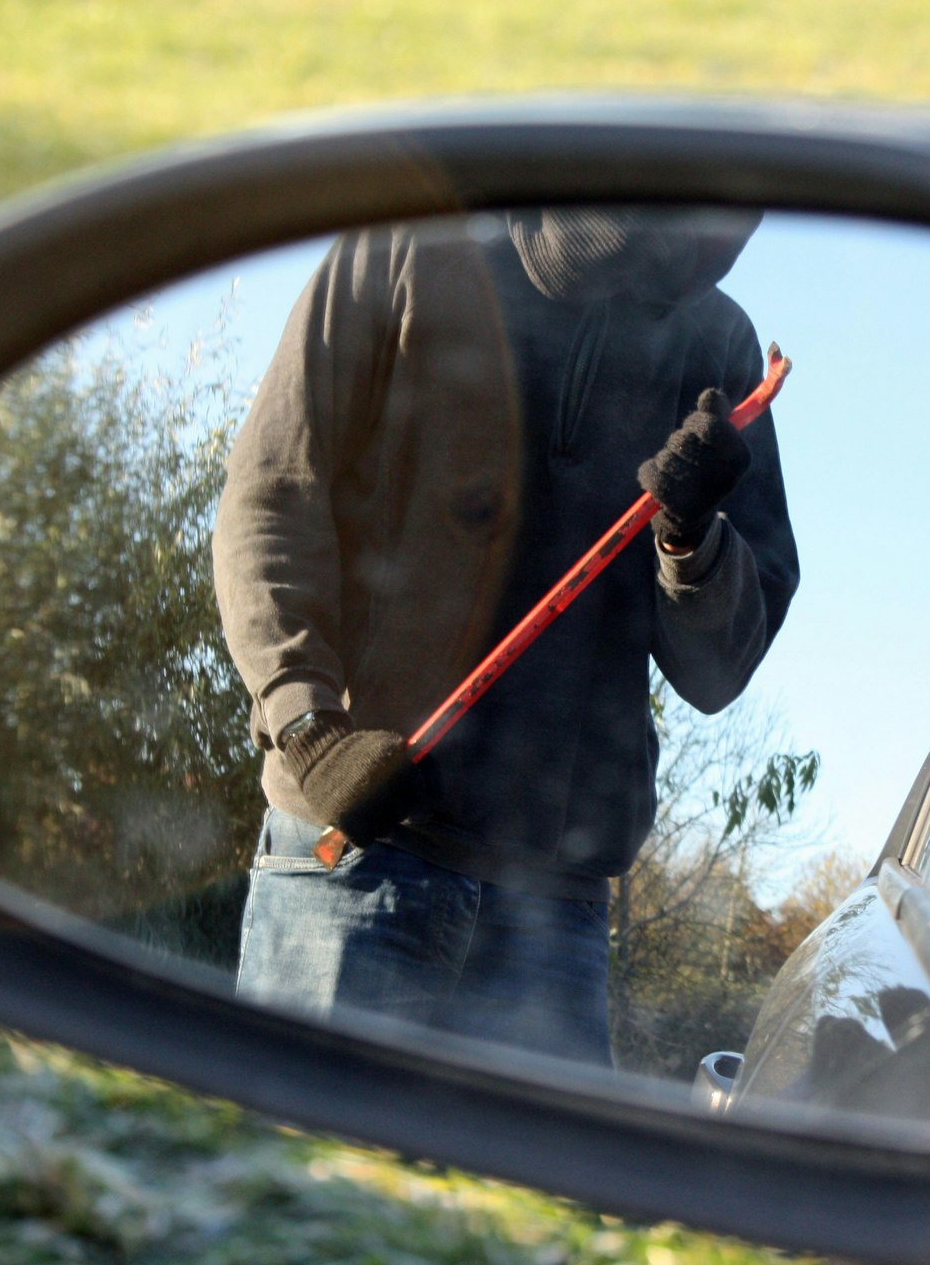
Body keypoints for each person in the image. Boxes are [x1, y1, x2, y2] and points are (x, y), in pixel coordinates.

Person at [211, 207, 798, 1066]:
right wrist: (306, 725)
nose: (728, 234)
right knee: (298, 1189)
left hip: (554, 914)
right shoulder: (407, 244)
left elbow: (718, 671)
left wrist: (690, 538)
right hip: (349, 856)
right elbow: (269, 498)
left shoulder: (718, 343)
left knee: (528, 1208)